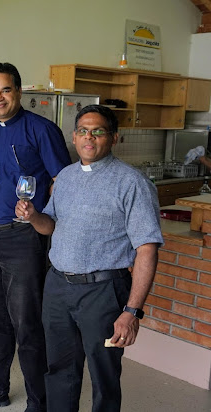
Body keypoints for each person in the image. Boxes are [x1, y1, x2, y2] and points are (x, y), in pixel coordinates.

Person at [15, 105, 163, 412]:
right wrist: (33, 216)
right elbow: (50, 226)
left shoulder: (131, 183)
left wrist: (132, 311)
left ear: (114, 138)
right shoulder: (65, 177)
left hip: (103, 292)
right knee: (59, 367)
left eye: (98, 131)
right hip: (58, 287)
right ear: (74, 137)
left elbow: (147, 248)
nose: (89, 137)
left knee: (103, 373)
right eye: (83, 131)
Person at [0, 62, 71, 412]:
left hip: (23, 238)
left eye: (5, 90)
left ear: (19, 92)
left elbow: (63, 182)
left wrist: (42, 213)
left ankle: (39, 400)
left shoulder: (42, 130)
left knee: (27, 322)